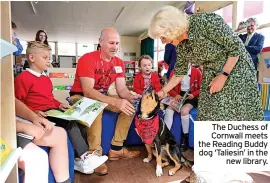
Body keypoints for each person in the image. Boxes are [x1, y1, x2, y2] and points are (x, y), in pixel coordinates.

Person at [148, 6, 264, 121]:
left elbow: (236, 47)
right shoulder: (181, 46)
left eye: (163, 37)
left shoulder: (206, 21)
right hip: (212, 74)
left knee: (233, 115)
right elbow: (179, 73)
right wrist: (163, 91)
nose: (163, 42)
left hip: (236, 69)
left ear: (172, 28)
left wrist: (223, 75)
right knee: (206, 115)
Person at [14, 41, 108, 175]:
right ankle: (85, 157)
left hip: (53, 110)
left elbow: (49, 98)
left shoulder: (45, 78)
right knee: (69, 123)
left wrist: (59, 104)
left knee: (79, 124)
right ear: (32, 58)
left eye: (49, 57)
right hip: (43, 115)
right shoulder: (23, 78)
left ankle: (79, 159)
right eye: (45, 57)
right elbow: (18, 102)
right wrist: (33, 113)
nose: (49, 61)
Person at [69, 28, 141, 175]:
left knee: (129, 106)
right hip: (79, 96)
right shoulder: (87, 59)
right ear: (100, 42)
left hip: (102, 96)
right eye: (111, 42)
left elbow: (122, 90)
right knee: (96, 106)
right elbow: (88, 91)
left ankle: (116, 149)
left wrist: (131, 97)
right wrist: (115, 102)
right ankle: (94, 156)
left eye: (117, 43)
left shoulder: (119, 62)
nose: (115, 46)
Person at [15, 98, 70, 183]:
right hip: (6, 130)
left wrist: (34, 117)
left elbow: (10, 100)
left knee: (60, 134)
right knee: (37, 157)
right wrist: (22, 127)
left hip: (12, 122)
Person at [164, 65, 202, 151]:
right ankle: (166, 135)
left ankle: (185, 138)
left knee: (184, 111)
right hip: (179, 95)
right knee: (169, 109)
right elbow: (169, 87)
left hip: (191, 96)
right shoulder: (174, 71)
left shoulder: (197, 71)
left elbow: (202, 88)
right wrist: (175, 95)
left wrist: (194, 94)